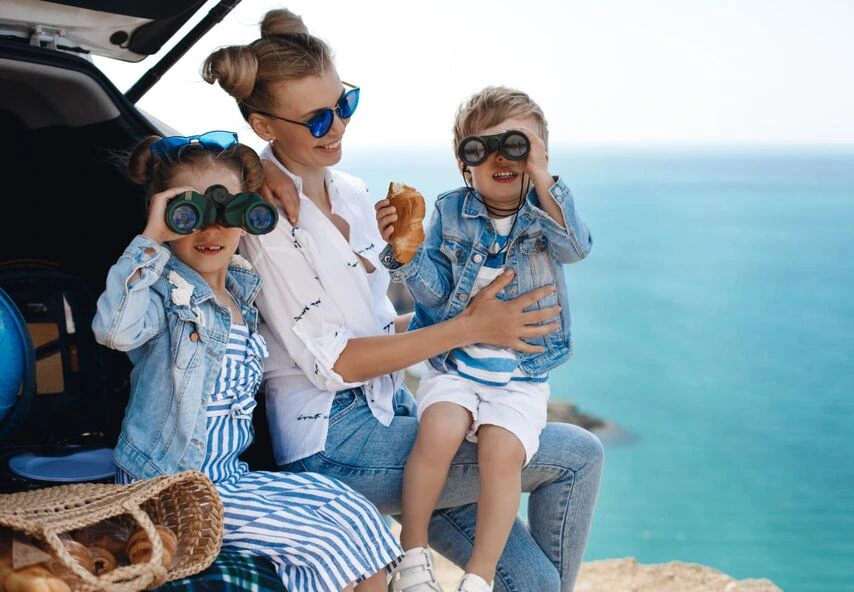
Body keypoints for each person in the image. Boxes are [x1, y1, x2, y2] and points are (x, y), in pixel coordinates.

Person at [202, 9, 603, 592]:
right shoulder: (265, 220)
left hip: (399, 417)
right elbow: (334, 362)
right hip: (333, 442)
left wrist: (491, 319)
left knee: (532, 581)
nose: (336, 126)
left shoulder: (356, 193)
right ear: (264, 125)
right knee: (578, 454)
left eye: (344, 104)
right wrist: (469, 328)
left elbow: (386, 323)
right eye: (316, 118)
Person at [92, 131, 402, 592]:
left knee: (353, 511)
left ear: (247, 216)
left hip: (228, 478)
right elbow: (114, 330)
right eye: (190, 214)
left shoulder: (243, 288)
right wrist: (151, 238)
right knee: (333, 534)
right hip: (173, 488)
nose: (210, 230)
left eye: (227, 212)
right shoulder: (163, 293)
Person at [374, 86, 591, 592]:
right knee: (438, 434)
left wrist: (543, 176)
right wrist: (404, 255)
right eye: (481, 149)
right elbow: (433, 292)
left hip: (520, 375)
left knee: (501, 455)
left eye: (514, 145)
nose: (499, 157)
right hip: (455, 362)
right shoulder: (450, 212)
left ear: (537, 152)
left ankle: (480, 576)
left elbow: (575, 248)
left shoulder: (544, 213)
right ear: (464, 164)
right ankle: (413, 555)